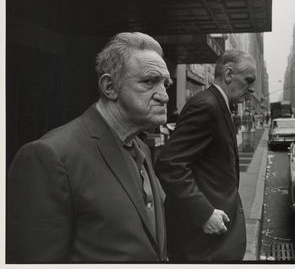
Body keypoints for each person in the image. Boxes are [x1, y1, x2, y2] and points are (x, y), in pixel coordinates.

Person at [6, 32, 171, 263]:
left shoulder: (141, 147)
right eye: (149, 82)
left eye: (166, 83)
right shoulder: (49, 156)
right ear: (109, 87)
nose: (164, 96)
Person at [157, 49, 257, 261]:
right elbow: (169, 164)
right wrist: (204, 213)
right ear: (229, 75)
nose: (252, 88)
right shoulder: (207, 105)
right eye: (248, 80)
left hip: (214, 236)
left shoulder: (219, 105)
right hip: (200, 240)